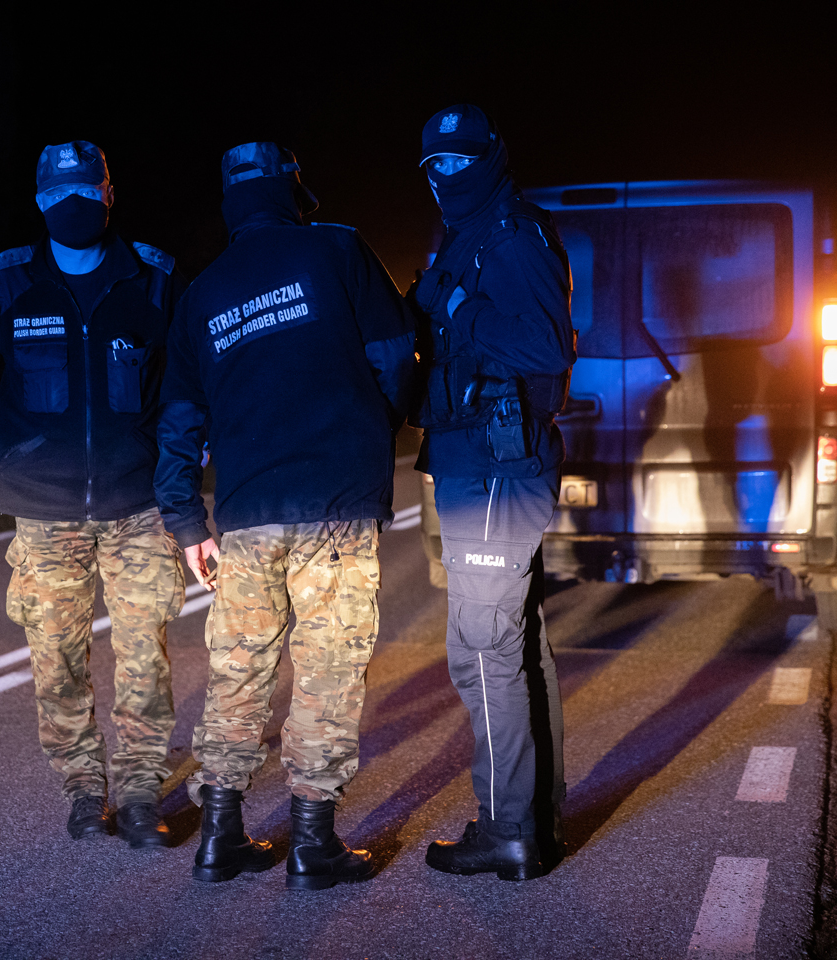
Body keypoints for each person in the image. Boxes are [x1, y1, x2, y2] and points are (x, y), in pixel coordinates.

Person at [0, 140, 187, 848]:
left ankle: (137, 794)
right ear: (39, 201)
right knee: (56, 661)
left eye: (87, 191)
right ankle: (81, 789)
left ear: (109, 192)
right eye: (60, 194)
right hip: (43, 510)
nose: (76, 205)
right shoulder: (8, 283)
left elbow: (191, 370)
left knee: (143, 658)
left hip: (137, 504)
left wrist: (196, 432)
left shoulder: (153, 279)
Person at [155, 142, 416, 889]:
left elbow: (177, 420)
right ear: (294, 190)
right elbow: (396, 353)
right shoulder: (335, 249)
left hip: (242, 518)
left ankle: (220, 839)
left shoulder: (201, 294)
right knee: (327, 673)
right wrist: (377, 423)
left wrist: (186, 523)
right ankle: (313, 847)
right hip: (333, 503)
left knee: (238, 673)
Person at [408, 104, 574, 880]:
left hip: (498, 470)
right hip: (480, 463)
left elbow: (544, 344)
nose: (445, 176)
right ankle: (534, 819)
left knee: (483, 649)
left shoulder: (511, 234)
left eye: (458, 161)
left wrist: (454, 308)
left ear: (491, 156)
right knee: (512, 643)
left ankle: (507, 829)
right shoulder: (468, 235)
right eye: (432, 166)